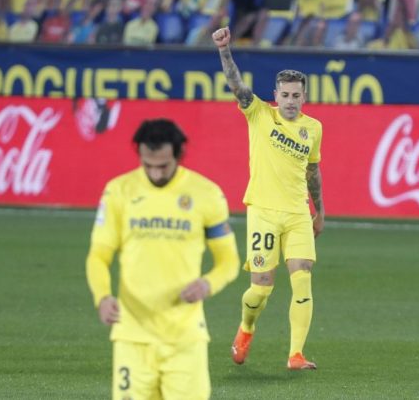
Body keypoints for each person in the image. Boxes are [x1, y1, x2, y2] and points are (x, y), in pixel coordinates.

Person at [86, 119, 240, 399]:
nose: (155, 174)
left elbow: (229, 260)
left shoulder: (206, 194)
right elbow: (99, 254)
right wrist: (102, 296)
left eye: (163, 166)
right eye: (148, 165)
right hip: (132, 337)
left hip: (185, 338)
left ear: (179, 155)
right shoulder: (119, 191)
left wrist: (208, 284)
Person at [212, 26, 325, 370]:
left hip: (297, 214)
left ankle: (296, 354)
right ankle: (246, 329)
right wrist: (225, 51)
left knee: (302, 275)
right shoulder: (260, 114)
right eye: (285, 95)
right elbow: (236, 84)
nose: (291, 101)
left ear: (304, 96)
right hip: (262, 211)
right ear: (275, 94)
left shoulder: (313, 128)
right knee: (261, 289)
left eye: (296, 95)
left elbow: (312, 172)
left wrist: (318, 210)